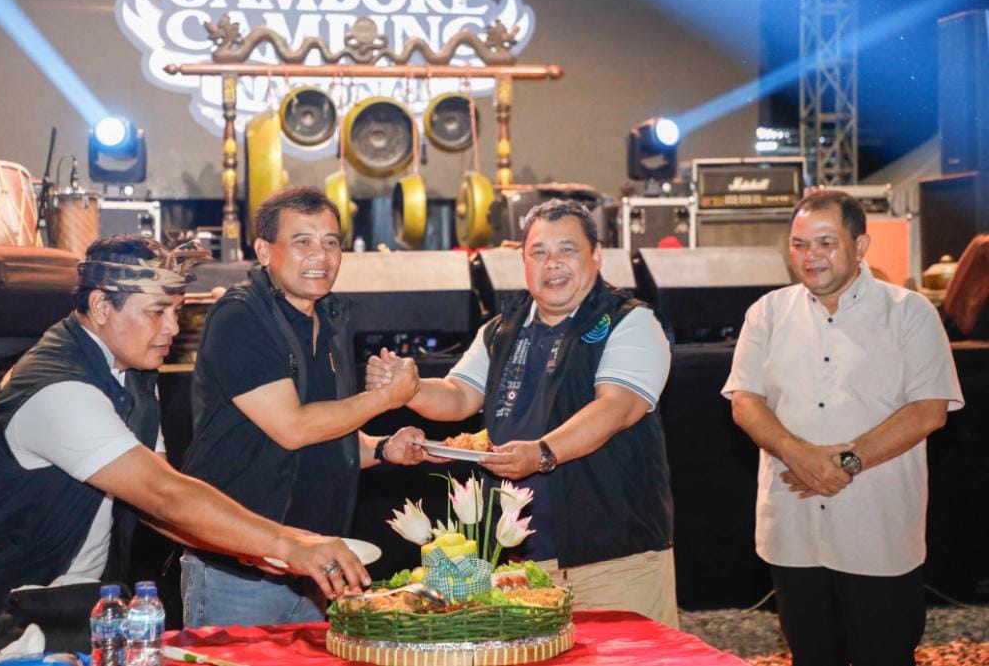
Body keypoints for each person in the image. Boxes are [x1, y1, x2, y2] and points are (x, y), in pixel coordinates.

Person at [0, 235, 369, 666]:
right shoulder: (59, 388)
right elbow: (162, 494)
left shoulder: (131, 374)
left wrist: (253, 549)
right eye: (156, 311)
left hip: (65, 606)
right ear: (100, 306)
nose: (173, 327)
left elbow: (155, 505)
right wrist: (288, 543)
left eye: (177, 310)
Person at [366, 199, 678, 627]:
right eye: (539, 252)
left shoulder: (630, 321)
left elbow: (617, 406)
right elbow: (459, 395)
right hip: (524, 564)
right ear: (523, 261)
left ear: (596, 255)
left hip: (615, 556)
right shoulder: (502, 329)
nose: (553, 263)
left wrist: (542, 453)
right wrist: (411, 389)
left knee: (631, 655)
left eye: (567, 249)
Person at [722, 190, 964, 666]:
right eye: (799, 244)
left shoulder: (909, 312)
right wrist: (798, 455)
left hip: (877, 529)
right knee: (811, 655)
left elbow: (928, 410)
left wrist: (846, 463)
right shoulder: (767, 313)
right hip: (793, 530)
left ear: (861, 245)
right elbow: (745, 402)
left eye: (826, 242)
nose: (810, 256)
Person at [180, 187, 433, 627]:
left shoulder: (330, 319)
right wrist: (385, 398)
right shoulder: (240, 318)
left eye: (330, 242)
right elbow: (293, 428)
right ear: (264, 251)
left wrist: (382, 448)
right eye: (302, 241)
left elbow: (324, 434)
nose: (320, 255)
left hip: (318, 568)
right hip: (241, 572)